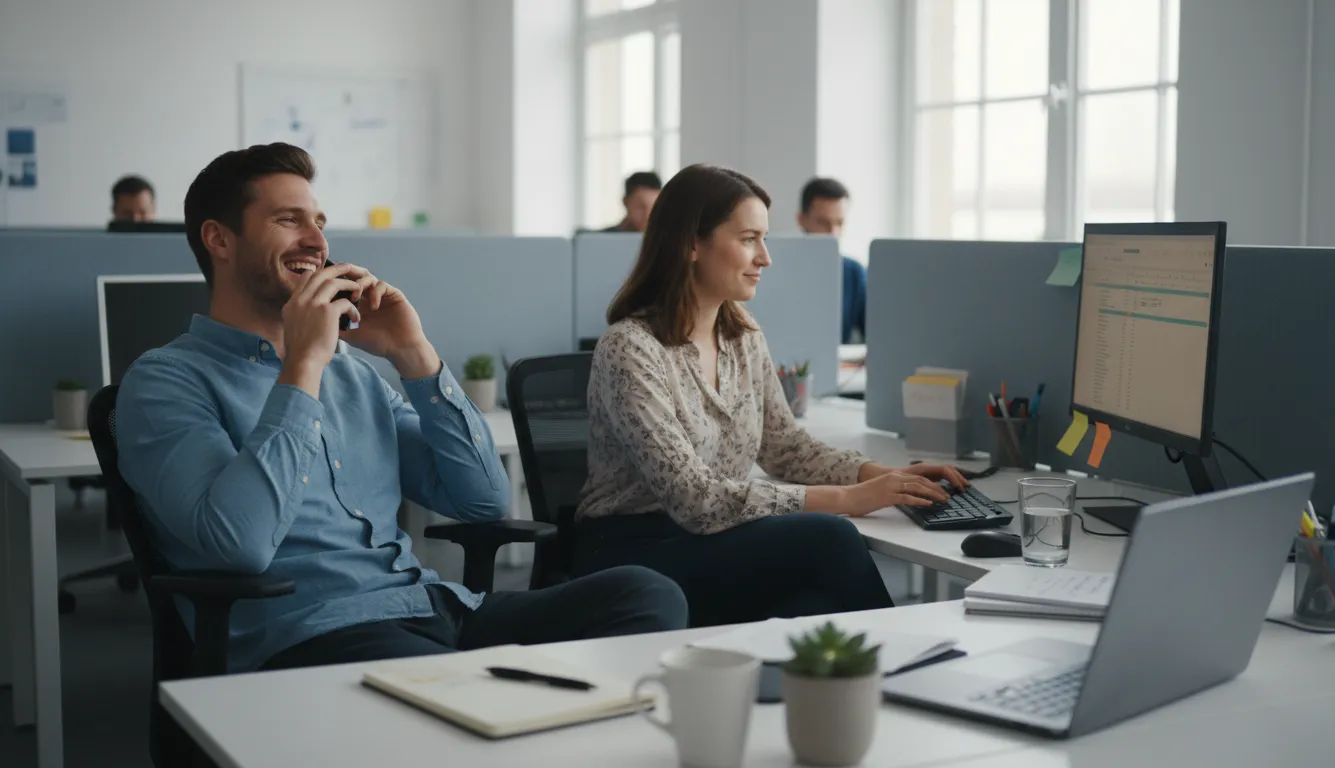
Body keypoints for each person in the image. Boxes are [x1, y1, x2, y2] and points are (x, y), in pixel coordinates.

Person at [116, 143, 687, 673]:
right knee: (457, 691)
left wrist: (413, 354)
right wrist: (303, 367)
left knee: (645, 593)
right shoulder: (166, 382)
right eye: (288, 220)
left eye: (319, 223)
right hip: (312, 635)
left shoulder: (354, 377)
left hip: (433, 607)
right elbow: (240, 543)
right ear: (219, 240)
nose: (316, 241)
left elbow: (482, 501)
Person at [574, 164, 966, 628]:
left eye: (764, 238)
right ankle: (908, 656)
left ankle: (875, 670)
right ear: (691, 244)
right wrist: (849, 498)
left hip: (713, 538)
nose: (765, 257)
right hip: (632, 553)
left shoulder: (741, 334)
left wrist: (883, 476)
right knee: (831, 538)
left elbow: (784, 447)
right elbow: (694, 499)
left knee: (813, 607)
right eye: (748, 239)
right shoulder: (631, 348)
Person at [797, 178, 866, 343]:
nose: (833, 233)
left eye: (840, 223)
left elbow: (875, 333)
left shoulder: (853, 272)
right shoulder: (771, 266)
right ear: (801, 220)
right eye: (823, 223)